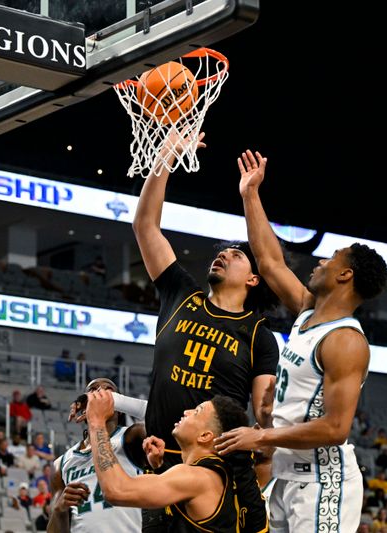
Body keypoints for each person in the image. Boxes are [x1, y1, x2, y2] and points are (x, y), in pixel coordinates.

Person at [214, 150, 387, 532]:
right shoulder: (309, 312)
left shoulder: (345, 341)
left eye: (328, 260)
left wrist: (262, 433)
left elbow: (335, 428)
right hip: (285, 472)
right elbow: (270, 261)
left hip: (323, 482)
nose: (319, 263)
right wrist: (250, 195)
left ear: (345, 275)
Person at [131, 132, 279, 533]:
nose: (223, 254)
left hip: (213, 468)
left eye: (235, 255)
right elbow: (146, 226)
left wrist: (262, 463)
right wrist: (164, 158)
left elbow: (264, 414)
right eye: (222, 251)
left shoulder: (259, 335)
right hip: (160, 458)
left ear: (252, 279)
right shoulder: (181, 294)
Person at [86, 387, 247, 533]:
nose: (186, 412)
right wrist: (159, 468)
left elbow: (116, 490)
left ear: (205, 436)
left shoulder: (198, 477)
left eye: (196, 411)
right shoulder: (209, 475)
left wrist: (97, 422)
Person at [48, 378, 146, 533]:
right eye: (93, 389)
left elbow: (164, 417)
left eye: (108, 390)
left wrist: (117, 400)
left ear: (119, 407)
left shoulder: (132, 436)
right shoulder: (60, 464)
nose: (100, 392)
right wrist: (60, 510)